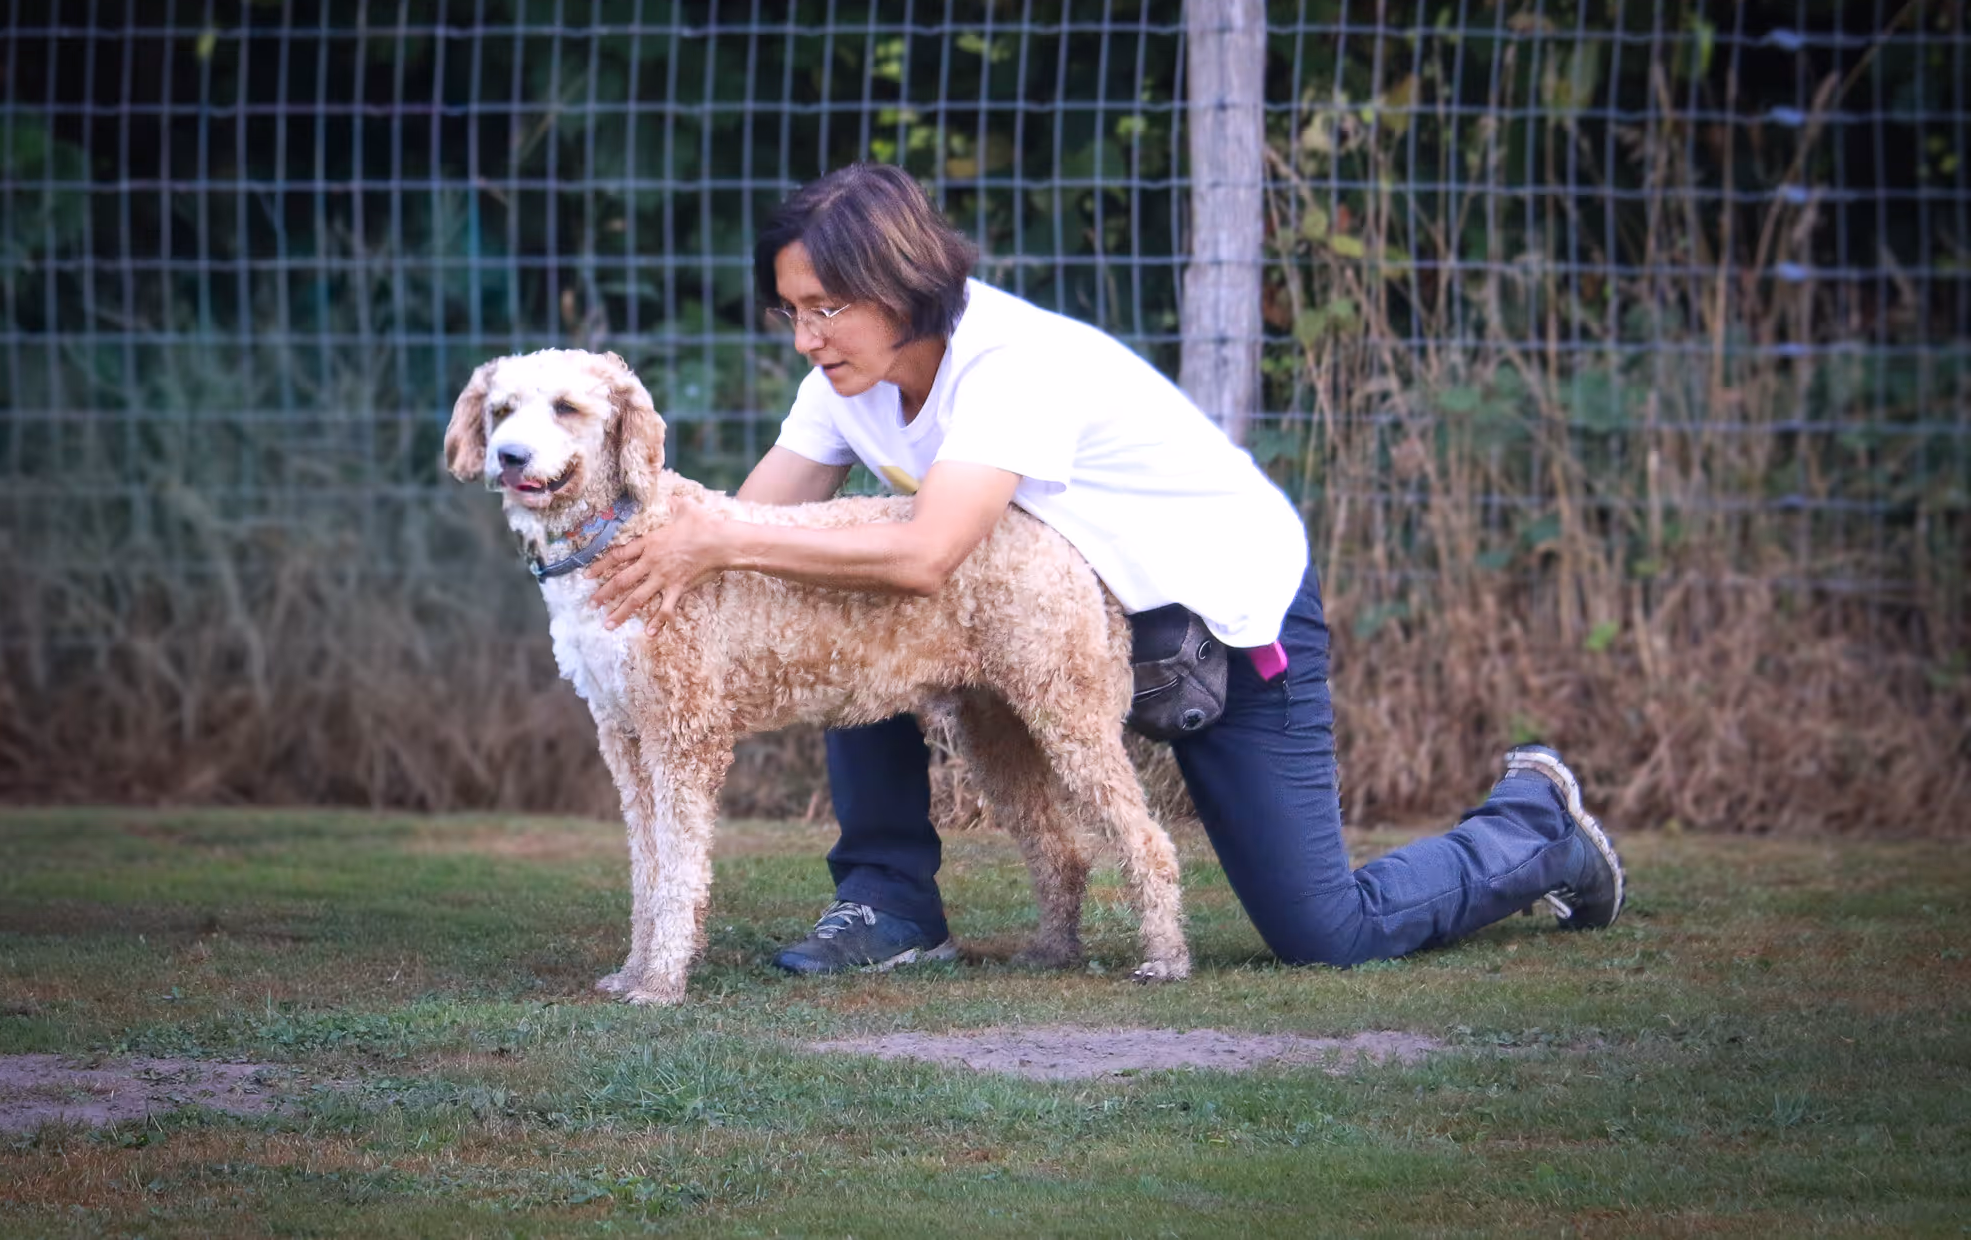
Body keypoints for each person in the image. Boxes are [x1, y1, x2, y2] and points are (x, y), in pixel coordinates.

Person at [589, 162, 1624, 976]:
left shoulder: (1008, 361)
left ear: (899, 285)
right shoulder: (846, 377)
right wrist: (611, 557)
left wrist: (718, 540)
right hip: (1052, 618)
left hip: (1214, 617)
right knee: (827, 593)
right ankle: (890, 902)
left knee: (1324, 931)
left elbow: (921, 549)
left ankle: (1533, 825)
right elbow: (758, 521)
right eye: (791, 312)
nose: (806, 337)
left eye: (824, 308)